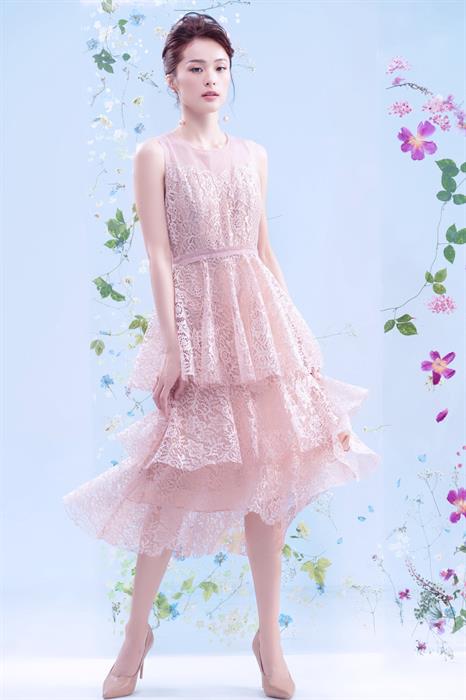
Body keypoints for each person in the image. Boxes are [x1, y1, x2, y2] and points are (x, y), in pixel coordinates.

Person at [63, 11, 381, 700]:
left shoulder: (255, 155)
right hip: (197, 325)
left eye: (220, 67)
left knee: (270, 480)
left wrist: (296, 333)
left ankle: (270, 641)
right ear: (172, 78)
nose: (210, 79)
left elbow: (263, 249)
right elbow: (158, 255)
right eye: (196, 68)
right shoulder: (155, 155)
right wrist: (176, 346)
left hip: (259, 323)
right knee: (169, 480)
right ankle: (135, 636)